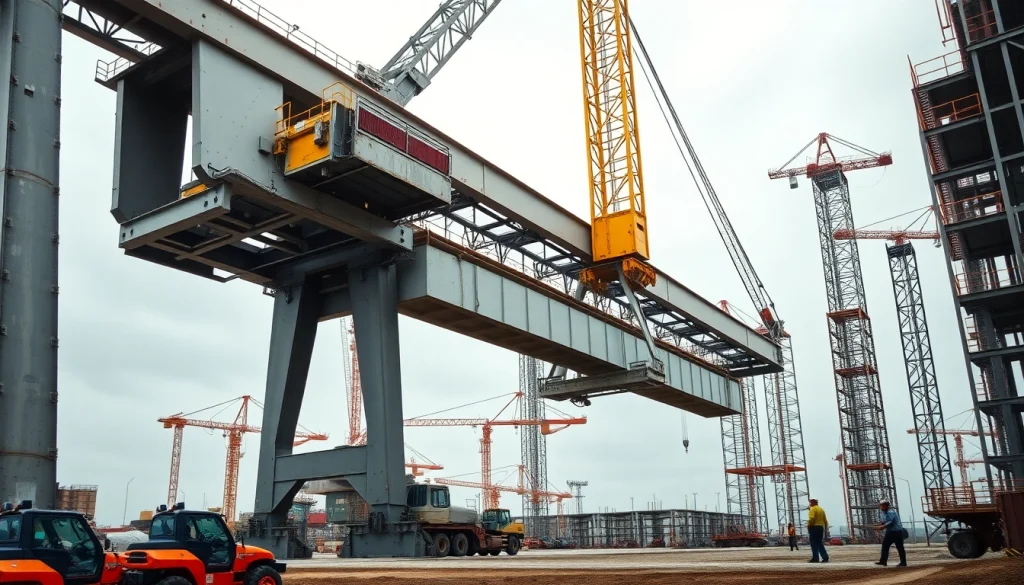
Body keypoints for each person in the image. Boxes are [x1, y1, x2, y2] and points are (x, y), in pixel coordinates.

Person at [874, 499, 907, 567]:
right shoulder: (883, 512)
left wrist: (883, 526)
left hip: (897, 532)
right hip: (890, 532)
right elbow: (885, 521)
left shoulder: (891, 512)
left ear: (886, 505)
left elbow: (891, 522)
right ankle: (883, 561)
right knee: (885, 546)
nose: (880, 507)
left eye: (881, 505)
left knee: (900, 547)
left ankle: (903, 562)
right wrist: (880, 524)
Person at [806, 498, 829, 563]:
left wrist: (809, 526)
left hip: (814, 527)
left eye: (810, 503)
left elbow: (811, 519)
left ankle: (815, 558)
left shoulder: (812, 509)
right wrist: (826, 529)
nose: (809, 504)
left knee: (813, 543)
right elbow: (825, 521)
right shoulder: (821, 509)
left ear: (812, 503)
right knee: (819, 543)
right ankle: (825, 557)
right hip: (821, 527)